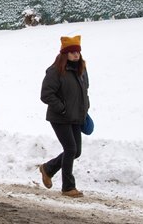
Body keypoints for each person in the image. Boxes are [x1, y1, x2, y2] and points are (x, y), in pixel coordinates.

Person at [39, 35, 90, 198]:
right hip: (59, 117)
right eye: (72, 52)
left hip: (76, 116)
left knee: (76, 151)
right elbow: (46, 94)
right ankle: (68, 187)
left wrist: (85, 108)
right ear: (65, 54)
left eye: (78, 52)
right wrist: (62, 108)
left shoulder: (81, 70)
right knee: (70, 149)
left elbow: (85, 91)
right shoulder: (55, 70)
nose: (76, 55)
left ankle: (48, 168)